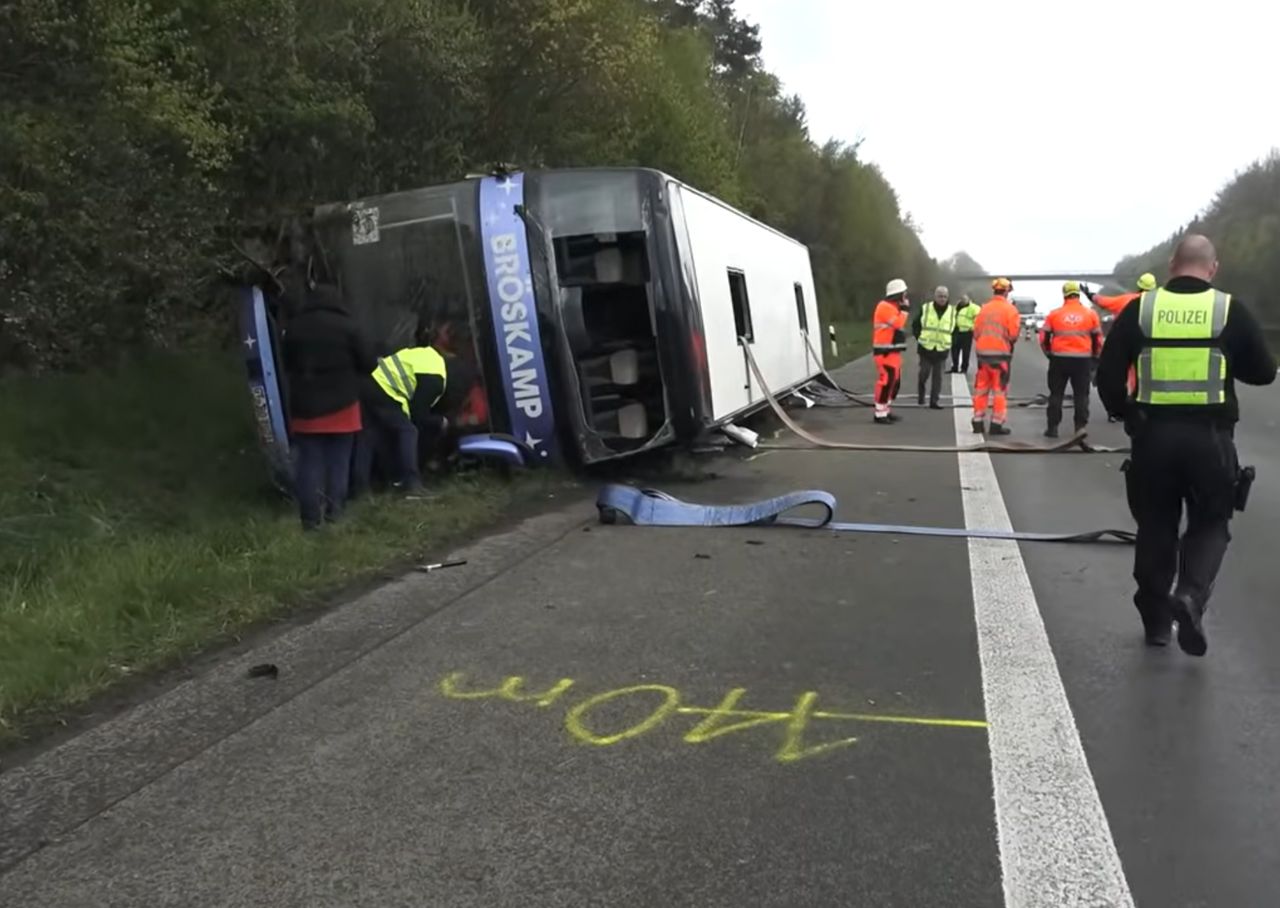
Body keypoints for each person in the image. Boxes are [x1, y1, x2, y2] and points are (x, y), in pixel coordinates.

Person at [1097, 234, 1276, 654]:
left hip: (1153, 438)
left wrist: (1126, 413)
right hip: (1210, 440)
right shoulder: (1227, 309)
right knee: (1211, 522)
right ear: (1213, 268)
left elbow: (1106, 375)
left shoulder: (1142, 308)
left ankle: (1157, 624)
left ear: (1172, 265)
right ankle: (1191, 595)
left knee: (1156, 526)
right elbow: (1265, 372)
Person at [280, 283, 376, 530]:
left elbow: (287, 364)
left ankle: (310, 521)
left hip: (305, 407)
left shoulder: (294, 328)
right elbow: (369, 364)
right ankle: (336, 513)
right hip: (342, 406)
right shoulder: (348, 326)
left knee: (309, 462)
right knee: (339, 461)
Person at [355, 333, 452, 493]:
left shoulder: (424, 354)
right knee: (409, 431)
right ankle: (411, 484)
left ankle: (360, 490)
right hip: (385, 390)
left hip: (368, 384)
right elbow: (418, 414)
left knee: (368, 437)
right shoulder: (436, 377)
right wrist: (440, 421)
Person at [1039, 280, 1103, 438]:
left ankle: (1052, 428)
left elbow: (1043, 337)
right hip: (1082, 361)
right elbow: (1098, 339)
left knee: (1056, 394)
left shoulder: (1054, 314)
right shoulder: (1090, 314)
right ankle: (1080, 428)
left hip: (1059, 359)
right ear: (1078, 294)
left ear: (1064, 294)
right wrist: (1095, 357)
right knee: (1081, 395)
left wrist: (1049, 353)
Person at [970, 278, 1021, 435]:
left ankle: (977, 421)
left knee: (981, 389)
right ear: (1006, 291)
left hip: (983, 355)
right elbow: (1013, 334)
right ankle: (996, 423)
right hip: (1001, 356)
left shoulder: (983, 309)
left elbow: (976, 332)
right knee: (999, 391)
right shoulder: (1010, 310)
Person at [872, 278, 910, 424]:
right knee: (887, 381)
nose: (906, 297)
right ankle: (880, 413)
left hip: (892, 351)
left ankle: (885, 410)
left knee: (895, 382)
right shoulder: (885, 307)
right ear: (898, 294)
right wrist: (905, 311)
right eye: (904, 294)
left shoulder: (893, 307)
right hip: (884, 352)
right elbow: (899, 324)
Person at [912, 285, 955, 409]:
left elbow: (955, 330)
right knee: (923, 374)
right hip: (926, 348)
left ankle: (934, 401)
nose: (942, 299)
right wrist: (919, 338)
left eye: (945, 297)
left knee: (938, 378)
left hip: (942, 349)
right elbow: (915, 325)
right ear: (935, 296)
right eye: (940, 296)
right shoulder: (925, 308)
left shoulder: (952, 312)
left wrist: (951, 341)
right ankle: (921, 397)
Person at [950, 294, 978, 374]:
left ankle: (964, 368)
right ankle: (955, 367)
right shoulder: (955, 307)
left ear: (969, 299)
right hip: (956, 331)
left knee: (966, 352)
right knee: (954, 350)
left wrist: (972, 328)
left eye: (965, 299)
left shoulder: (974, 308)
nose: (963, 301)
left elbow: (978, 319)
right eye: (962, 299)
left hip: (967, 332)